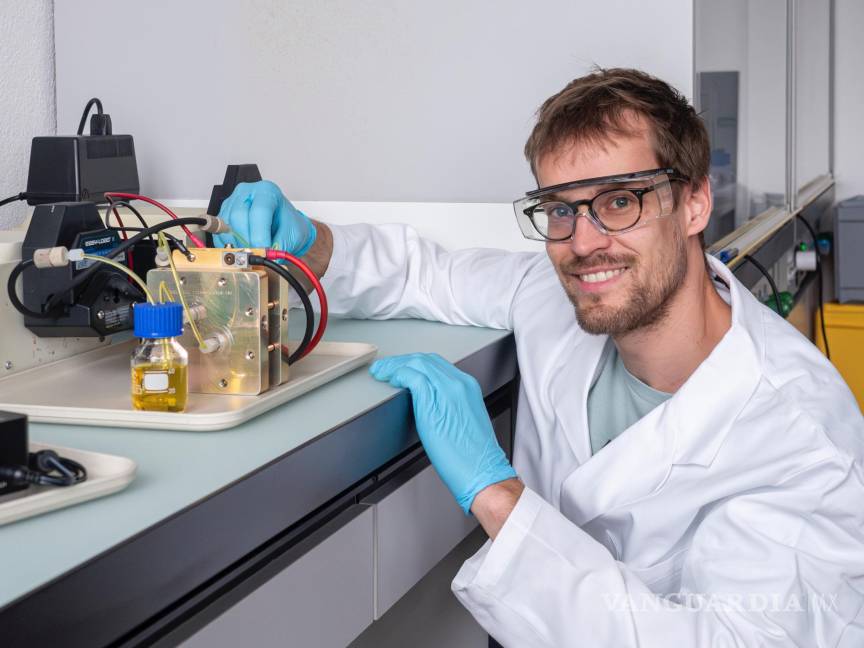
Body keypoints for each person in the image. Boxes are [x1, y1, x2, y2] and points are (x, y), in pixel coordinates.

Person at [214, 68, 864, 646]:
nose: (584, 242)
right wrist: (310, 243)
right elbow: (426, 276)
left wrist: (496, 497)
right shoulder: (553, 297)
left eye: (619, 201)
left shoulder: (798, 436)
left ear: (694, 203)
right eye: (560, 209)